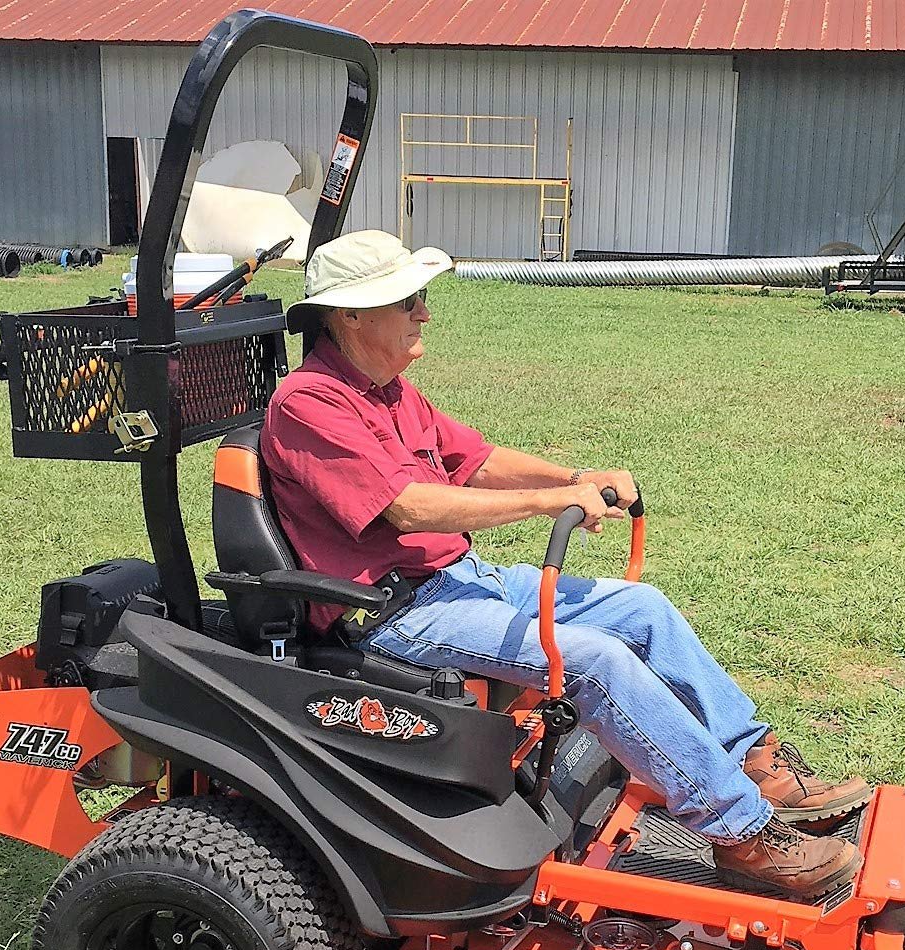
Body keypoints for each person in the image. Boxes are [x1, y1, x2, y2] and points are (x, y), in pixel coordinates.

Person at [260, 230, 870, 900]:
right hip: (395, 612)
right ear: (350, 313)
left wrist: (577, 474)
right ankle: (743, 837)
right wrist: (554, 499)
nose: (424, 313)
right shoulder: (310, 404)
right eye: (410, 300)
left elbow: (477, 460)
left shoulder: (387, 390)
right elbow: (409, 508)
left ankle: (754, 763)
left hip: (459, 579)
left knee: (644, 610)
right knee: (596, 661)